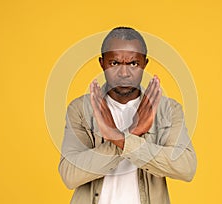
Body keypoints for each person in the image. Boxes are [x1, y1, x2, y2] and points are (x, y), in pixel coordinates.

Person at [58, 27, 197, 204]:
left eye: (133, 64)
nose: (124, 73)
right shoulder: (80, 109)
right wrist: (133, 132)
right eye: (114, 63)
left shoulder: (168, 110)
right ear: (102, 63)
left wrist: (118, 138)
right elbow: (70, 175)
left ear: (145, 63)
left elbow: (186, 167)